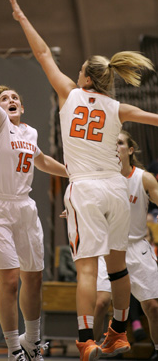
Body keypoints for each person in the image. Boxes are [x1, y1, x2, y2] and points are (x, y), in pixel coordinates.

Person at [9, 0, 158, 361]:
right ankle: (120, 332)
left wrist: (21, 17)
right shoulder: (117, 106)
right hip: (116, 189)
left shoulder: (68, 93)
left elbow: (43, 54)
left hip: (86, 189)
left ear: (85, 78)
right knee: (119, 267)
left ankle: (85, 340)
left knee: (88, 270)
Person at [0, 27, 68, 361]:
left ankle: (32, 341)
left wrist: (74, 172)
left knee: (33, 279)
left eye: (14, 98)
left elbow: (41, 160)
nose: (10, 101)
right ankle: (13, 350)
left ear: (22, 107)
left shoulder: (29, 131)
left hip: (24, 208)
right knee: (9, 281)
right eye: (4, 98)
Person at [95, 131, 158, 358]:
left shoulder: (143, 178)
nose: (115, 147)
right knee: (100, 303)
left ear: (130, 150)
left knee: (152, 306)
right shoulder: (99, 179)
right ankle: (91, 350)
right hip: (108, 247)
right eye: (112, 144)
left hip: (136, 247)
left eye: (120, 143)